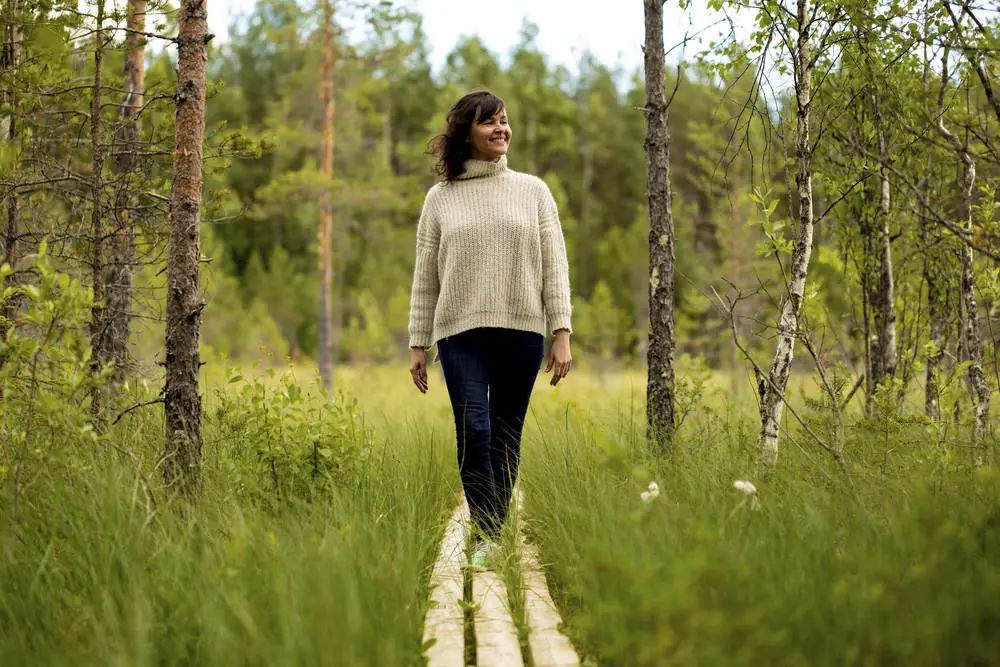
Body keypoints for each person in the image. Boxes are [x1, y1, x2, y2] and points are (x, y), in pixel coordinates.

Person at [407, 90, 574, 569]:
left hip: (521, 331)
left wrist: (560, 329)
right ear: (467, 133)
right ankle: (486, 530)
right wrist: (418, 341)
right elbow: (426, 275)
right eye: (490, 123)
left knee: (505, 433)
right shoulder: (440, 199)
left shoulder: (534, 191)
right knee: (473, 429)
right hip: (459, 333)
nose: (502, 130)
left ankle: (491, 531)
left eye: (505, 121)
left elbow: (554, 265)